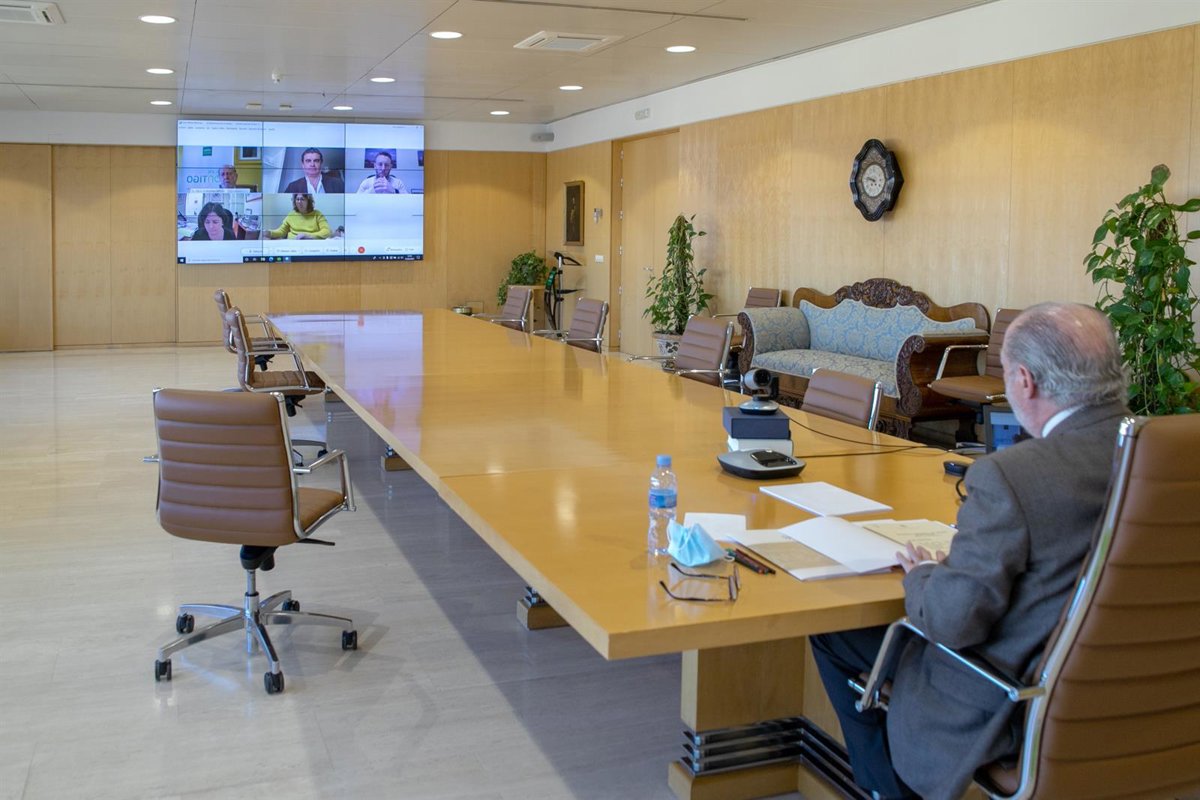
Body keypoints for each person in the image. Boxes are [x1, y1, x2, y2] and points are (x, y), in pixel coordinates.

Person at [810, 302, 1129, 800]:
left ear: (1023, 381)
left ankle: (891, 790)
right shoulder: (1165, 459)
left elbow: (952, 622)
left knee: (833, 632)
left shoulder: (1013, 476)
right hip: (1128, 696)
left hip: (1011, 700)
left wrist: (924, 575)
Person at [266, 193, 331, 240]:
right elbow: (282, 231)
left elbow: (327, 231)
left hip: (311, 244)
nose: (299, 202)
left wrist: (308, 236)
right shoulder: (291, 215)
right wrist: (269, 233)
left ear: (308, 201)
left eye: (302, 199)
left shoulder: (317, 214)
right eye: (297, 199)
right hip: (292, 245)